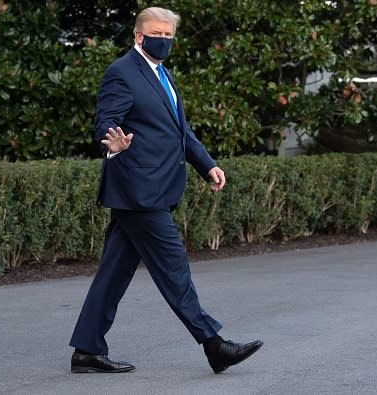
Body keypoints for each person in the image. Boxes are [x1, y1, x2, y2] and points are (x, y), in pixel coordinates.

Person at [69, 7, 263, 374]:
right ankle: (214, 344)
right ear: (138, 36)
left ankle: (87, 349)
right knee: (173, 268)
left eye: (170, 35)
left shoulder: (162, 74)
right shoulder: (122, 73)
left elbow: (180, 132)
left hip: (151, 188)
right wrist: (112, 144)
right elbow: (106, 121)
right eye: (158, 33)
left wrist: (207, 164)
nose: (165, 40)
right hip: (138, 190)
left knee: (114, 272)